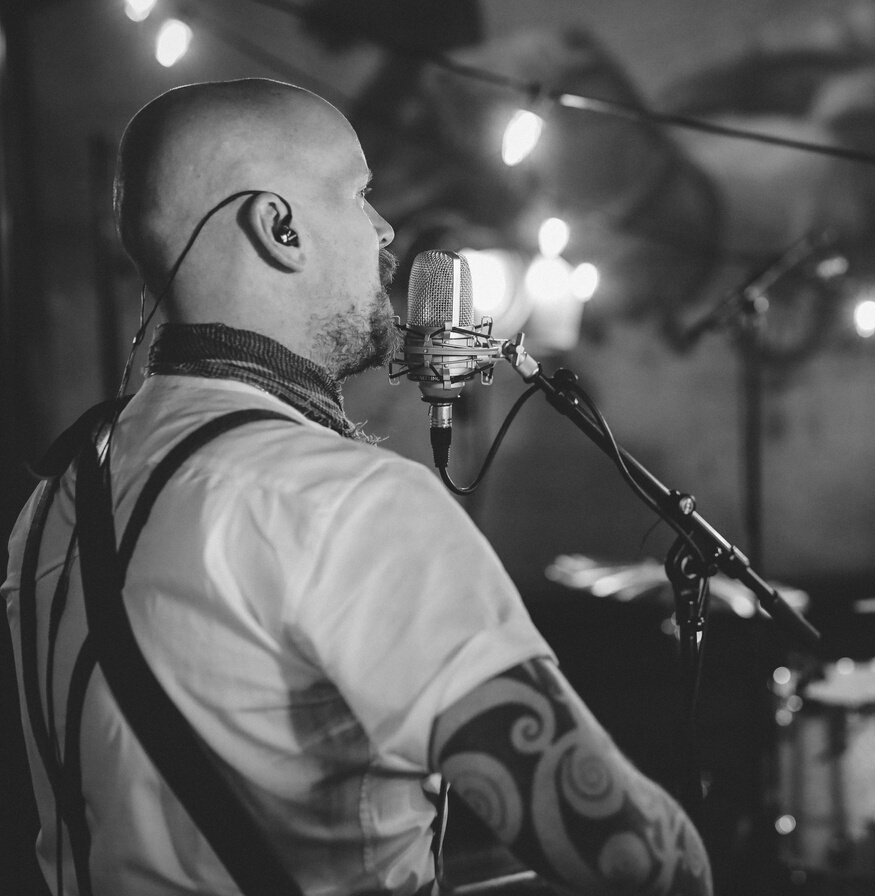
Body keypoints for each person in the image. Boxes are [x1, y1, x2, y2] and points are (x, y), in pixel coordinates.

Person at [3, 79, 711, 896]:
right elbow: (644, 861)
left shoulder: (49, 505)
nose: (384, 233)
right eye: (360, 195)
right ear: (279, 227)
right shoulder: (347, 501)